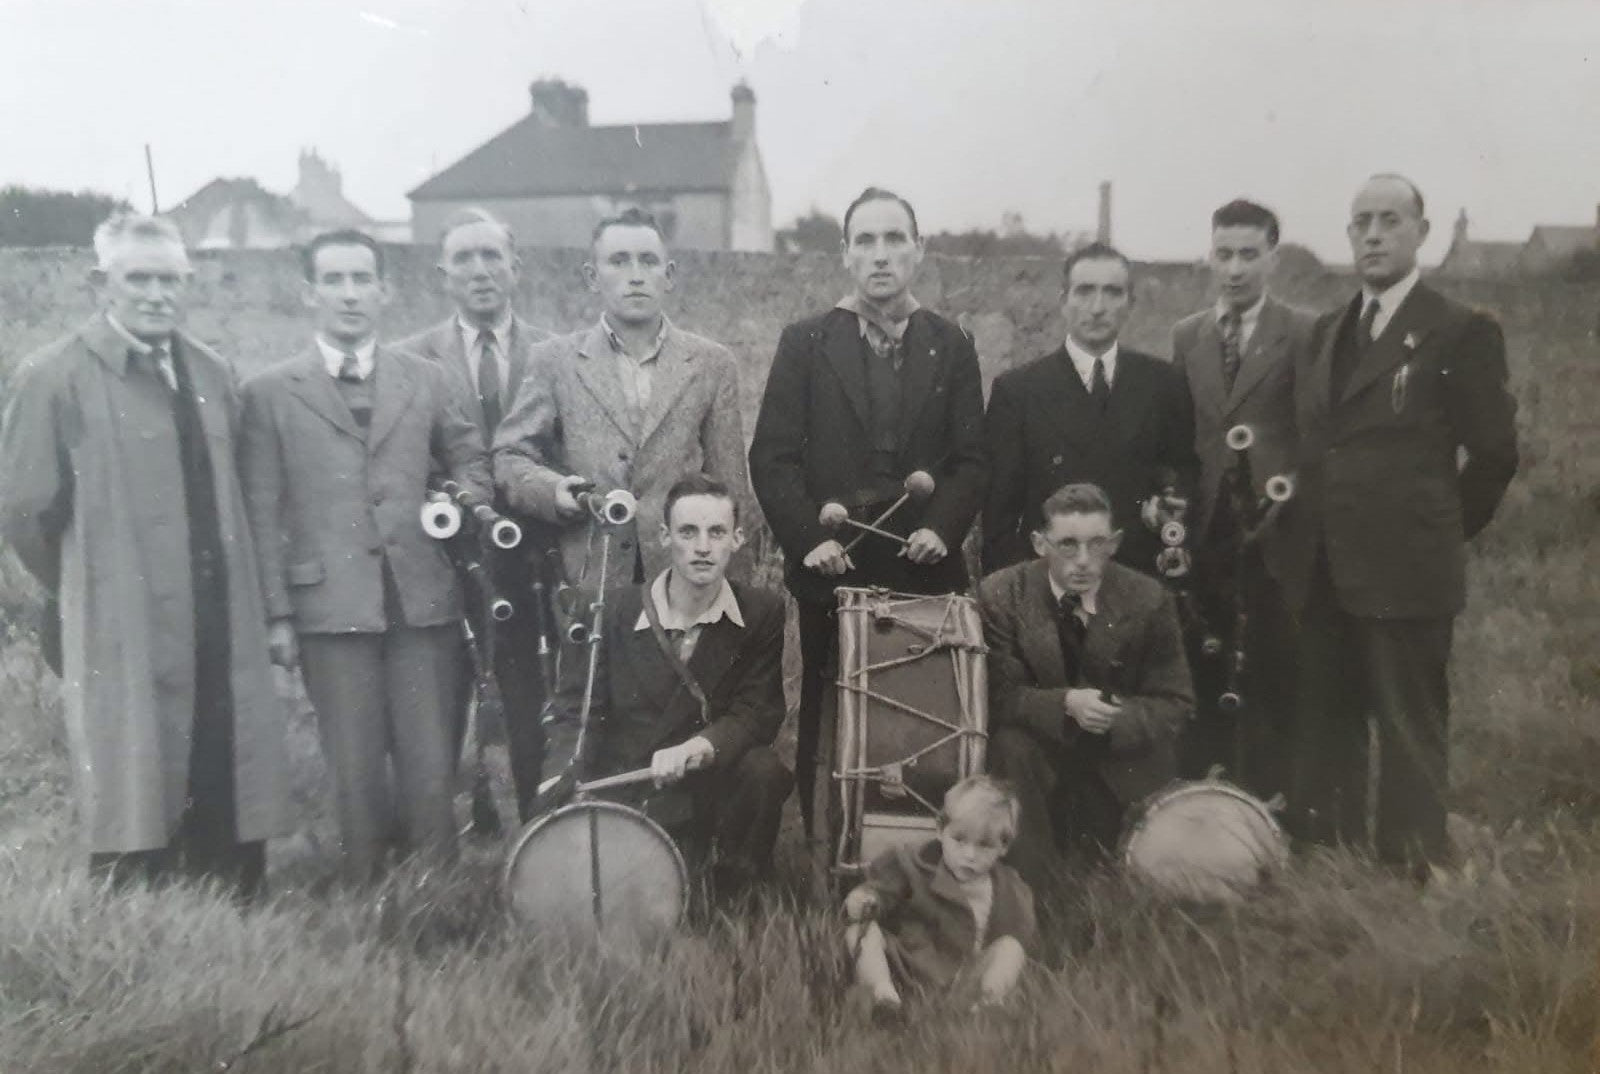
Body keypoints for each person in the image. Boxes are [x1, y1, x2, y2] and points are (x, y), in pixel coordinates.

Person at [0, 212, 289, 898]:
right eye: (139, 278)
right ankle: (139, 913)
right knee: (132, 760)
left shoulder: (214, 372)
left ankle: (231, 902)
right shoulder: (53, 375)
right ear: (102, 283)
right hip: (119, 613)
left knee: (224, 755)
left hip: (218, 610)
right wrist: (88, 585)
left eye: (170, 278)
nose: (156, 293)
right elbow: (26, 513)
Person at [1280, 174, 1518, 879]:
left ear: (1422, 231)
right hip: (1328, 567)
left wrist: (1438, 531)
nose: (1374, 234)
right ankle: (1336, 859)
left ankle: (1413, 867)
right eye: (1361, 222)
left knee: (1409, 725)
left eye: (1390, 220)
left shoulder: (1458, 329)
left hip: (1407, 569)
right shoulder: (1328, 331)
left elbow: (1496, 454)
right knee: (1331, 718)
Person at [239, 229, 491, 882]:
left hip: (419, 597)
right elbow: (261, 513)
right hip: (328, 604)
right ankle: (366, 891)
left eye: (361, 280)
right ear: (308, 294)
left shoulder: (429, 378)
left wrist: (459, 495)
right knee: (351, 761)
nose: (349, 294)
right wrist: (277, 617)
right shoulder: (269, 393)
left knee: (430, 758)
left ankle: (437, 888)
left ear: (385, 290)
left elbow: (469, 456)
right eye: (333, 280)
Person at [748, 186, 988, 839]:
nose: (880, 256)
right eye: (865, 242)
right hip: (834, 566)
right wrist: (806, 542)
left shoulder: (952, 344)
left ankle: (916, 840)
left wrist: (942, 528)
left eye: (893, 240)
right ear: (846, 256)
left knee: (924, 712)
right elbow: (772, 457)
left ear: (918, 251)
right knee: (826, 710)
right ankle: (828, 845)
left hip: (923, 566)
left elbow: (972, 460)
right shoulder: (805, 342)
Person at [541, 473, 791, 894]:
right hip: (629, 778)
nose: (703, 547)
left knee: (763, 770)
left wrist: (701, 746)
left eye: (717, 532)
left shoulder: (761, 613)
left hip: (704, 781)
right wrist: (559, 776)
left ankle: (734, 890)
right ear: (662, 536)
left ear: (738, 538)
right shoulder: (611, 611)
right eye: (688, 532)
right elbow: (576, 711)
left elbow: (758, 713)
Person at [494, 208, 751, 594]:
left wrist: (734, 593)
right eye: (618, 261)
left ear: (669, 275)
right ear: (592, 277)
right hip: (588, 576)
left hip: (682, 580)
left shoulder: (711, 364)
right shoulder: (553, 360)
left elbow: (730, 486)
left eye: (648, 261)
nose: (635, 276)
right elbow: (510, 456)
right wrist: (555, 491)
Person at [396, 208, 554, 823]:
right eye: (464, 258)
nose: (480, 270)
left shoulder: (555, 353)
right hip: (445, 556)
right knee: (445, 694)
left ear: (516, 266)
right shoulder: (409, 359)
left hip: (532, 554)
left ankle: (537, 819)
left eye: (493, 256)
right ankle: (449, 825)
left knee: (530, 691)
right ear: (443, 273)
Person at [1168, 199, 1313, 795]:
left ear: (1272, 258)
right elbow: (1184, 432)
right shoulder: (1188, 335)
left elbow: (1314, 429)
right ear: (1210, 255)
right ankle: (1209, 783)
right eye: (1224, 254)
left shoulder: (1305, 331)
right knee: (1207, 650)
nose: (1234, 269)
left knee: (1274, 656)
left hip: (1275, 527)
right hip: (1207, 528)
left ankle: (1273, 790)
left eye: (1249, 255)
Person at [978, 483, 1193, 885]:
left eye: (1096, 545)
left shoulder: (1148, 598)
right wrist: (1066, 704)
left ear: (1115, 544)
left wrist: (1119, 718)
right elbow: (997, 696)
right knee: (1009, 745)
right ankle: (1028, 894)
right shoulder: (1002, 594)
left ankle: (1135, 881)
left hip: (1116, 755)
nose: (1083, 561)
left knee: (1136, 875)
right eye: (1067, 545)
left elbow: (1176, 702)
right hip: (1042, 752)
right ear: (1040, 544)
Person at [982, 242, 1196, 577]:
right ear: (1063, 301)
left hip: (1136, 581)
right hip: (1051, 584)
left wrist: (1167, 506)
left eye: (1112, 293)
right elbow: (999, 519)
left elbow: (1182, 476)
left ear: (1130, 304)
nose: (1097, 307)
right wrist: (1018, 601)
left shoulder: (1162, 383)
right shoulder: (1018, 391)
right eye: (1084, 292)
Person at [843, 775, 1036, 1013]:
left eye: (984, 845)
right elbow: (882, 891)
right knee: (861, 933)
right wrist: (866, 899)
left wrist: (1003, 959)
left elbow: (1021, 933)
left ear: (1003, 847)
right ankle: (883, 994)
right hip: (909, 967)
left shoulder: (1007, 887)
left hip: (964, 977)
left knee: (1010, 948)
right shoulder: (914, 866)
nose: (969, 855)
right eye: (959, 840)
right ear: (940, 830)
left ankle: (987, 1006)